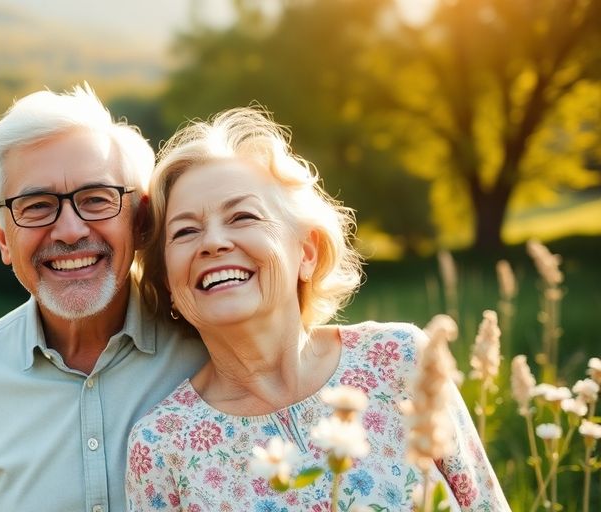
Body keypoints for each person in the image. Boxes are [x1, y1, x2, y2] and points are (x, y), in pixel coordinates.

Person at [125, 107, 508, 510]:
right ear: (168, 283)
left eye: (242, 216)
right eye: (185, 231)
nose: (213, 242)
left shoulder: (401, 359)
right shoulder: (161, 445)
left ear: (306, 253)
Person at [0, 85, 209, 511]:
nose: (70, 230)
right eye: (37, 205)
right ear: (3, 236)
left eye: (96, 199)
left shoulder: (208, 347)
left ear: (140, 219)